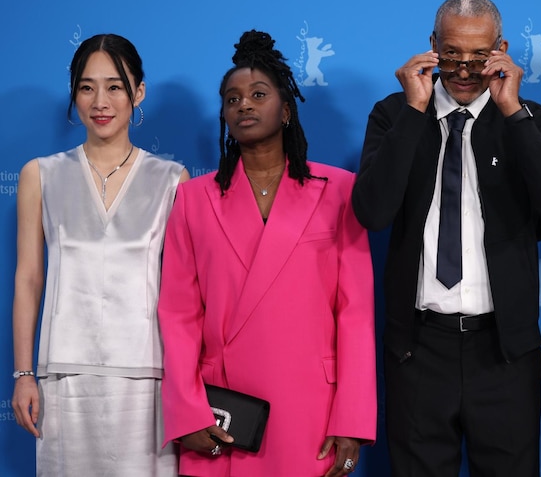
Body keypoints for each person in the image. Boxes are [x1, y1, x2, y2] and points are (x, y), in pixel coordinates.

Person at [352, 0, 541, 476]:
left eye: (478, 58)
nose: (463, 70)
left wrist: (512, 113)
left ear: (500, 49)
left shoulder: (528, 118)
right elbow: (372, 212)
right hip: (418, 349)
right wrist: (415, 113)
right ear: (432, 46)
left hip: (504, 351)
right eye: (452, 55)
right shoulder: (394, 114)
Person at [157, 30, 376, 477]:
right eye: (232, 99)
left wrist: (351, 420)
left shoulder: (339, 191)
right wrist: (186, 414)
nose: (245, 106)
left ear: (287, 110)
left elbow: (355, 314)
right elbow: (178, 315)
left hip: (310, 410)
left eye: (258, 94)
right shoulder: (193, 199)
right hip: (223, 413)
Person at [11, 33, 189, 476]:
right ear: (74, 94)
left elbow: (185, 293)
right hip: (64, 376)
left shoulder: (174, 180)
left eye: (115, 86)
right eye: (87, 87)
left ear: (138, 92)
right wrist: (22, 373)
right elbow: (29, 278)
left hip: (147, 377)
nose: (100, 100)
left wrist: (186, 385)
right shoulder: (41, 174)